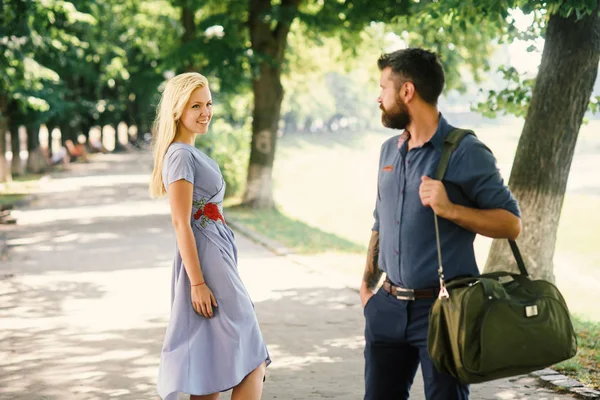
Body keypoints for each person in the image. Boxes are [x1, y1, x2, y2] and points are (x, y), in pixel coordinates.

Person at [360, 48, 522, 400]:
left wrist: (450, 209)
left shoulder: (465, 150)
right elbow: (380, 221)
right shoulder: (390, 150)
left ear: (407, 91)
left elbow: (511, 224)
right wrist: (367, 289)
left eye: (383, 87)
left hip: (442, 311)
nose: (379, 97)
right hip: (386, 307)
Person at [150, 72, 270, 400]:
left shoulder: (188, 152)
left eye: (209, 104)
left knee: (209, 361)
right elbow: (180, 222)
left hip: (216, 258)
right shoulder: (181, 155)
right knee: (252, 355)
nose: (206, 112)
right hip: (207, 265)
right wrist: (198, 283)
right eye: (196, 106)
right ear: (178, 111)